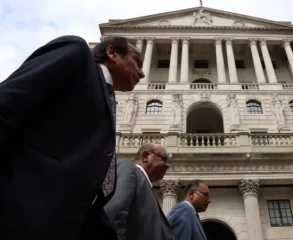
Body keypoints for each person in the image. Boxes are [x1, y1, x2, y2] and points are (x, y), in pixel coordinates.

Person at [0, 35, 144, 240]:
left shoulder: (109, 97)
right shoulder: (77, 53)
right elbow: (7, 104)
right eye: (137, 62)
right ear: (112, 53)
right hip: (23, 211)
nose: (142, 72)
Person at [104, 143, 176, 240]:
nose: (167, 165)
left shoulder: (147, 187)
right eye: (163, 158)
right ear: (145, 156)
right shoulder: (128, 168)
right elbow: (113, 214)